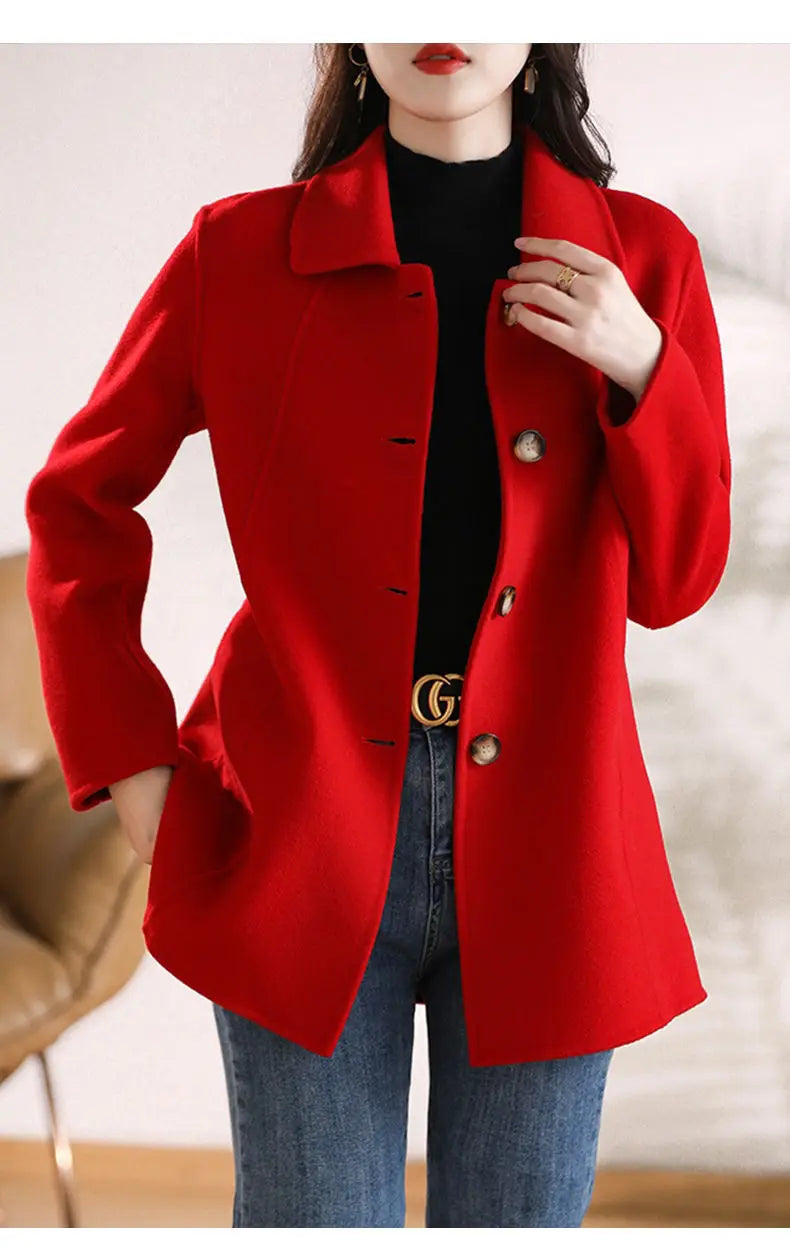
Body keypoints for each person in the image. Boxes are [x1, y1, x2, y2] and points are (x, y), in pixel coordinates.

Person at [24, 43, 732, 1228]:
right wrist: (131, 765)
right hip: (297, 828)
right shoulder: (238, 251)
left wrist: (642, 367)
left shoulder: (641, 259)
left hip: (553, 840)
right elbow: (77, 504)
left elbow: (675, 581)